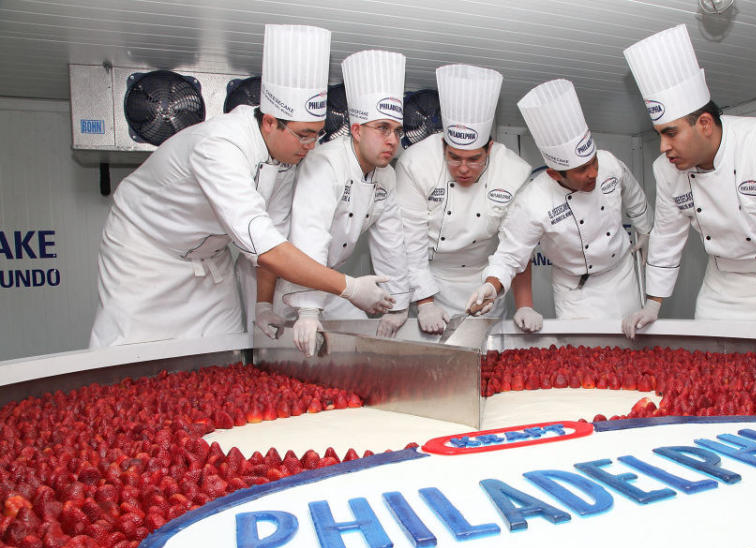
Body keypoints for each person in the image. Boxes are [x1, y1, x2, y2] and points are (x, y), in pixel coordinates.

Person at [89, 25, 393, 349]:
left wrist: (263, 305)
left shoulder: (285, 156)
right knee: (128, 361)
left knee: (225, 355)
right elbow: (265, 248)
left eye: (316, 134)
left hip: (210, 261)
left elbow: (272, 235)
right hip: (145, 252)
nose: (310, 146)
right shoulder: (221, 147)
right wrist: (349, 287)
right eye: (303, 134)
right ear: (270, 122)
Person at [621, 24, 756, 347]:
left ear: (704, 123)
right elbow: (666, 236)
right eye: (658, 134)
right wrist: (652, 304)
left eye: (671, 133)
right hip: (720, 290)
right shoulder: (666, 170)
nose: (663, 147)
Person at [467, 79, 651, 323]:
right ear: (554, 174)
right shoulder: (533, 201)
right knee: (584, 358)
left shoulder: (609, 163)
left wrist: (645, 229)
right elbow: (510, 257)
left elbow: (634, 195)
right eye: (582, 170)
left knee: (633, 354)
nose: (593, 173)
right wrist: (491, 286)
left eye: (593, 162)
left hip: (623, 275)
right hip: (576, 292)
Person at [278, 49, 411, 356]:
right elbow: (310, 233)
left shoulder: (386, 177)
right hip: (286, 282)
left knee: (363, 349)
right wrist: (309, 310)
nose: (392, 139)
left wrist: (398, 304)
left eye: (397, 130)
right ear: (356, 130)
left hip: (332, 282)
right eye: (382, 128)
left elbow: (391, 244)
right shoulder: (326, 164)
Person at [395, 64, 537, 334]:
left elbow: (518, 246)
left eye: (474, 159)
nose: (463, 168)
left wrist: (523, 303)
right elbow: (408, 242)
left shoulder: (514, 172)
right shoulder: (415, 164)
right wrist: (425, 303)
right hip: (431, 278)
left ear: (490, 149)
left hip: (488, 276)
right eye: (454, 157)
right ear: (442, 145)